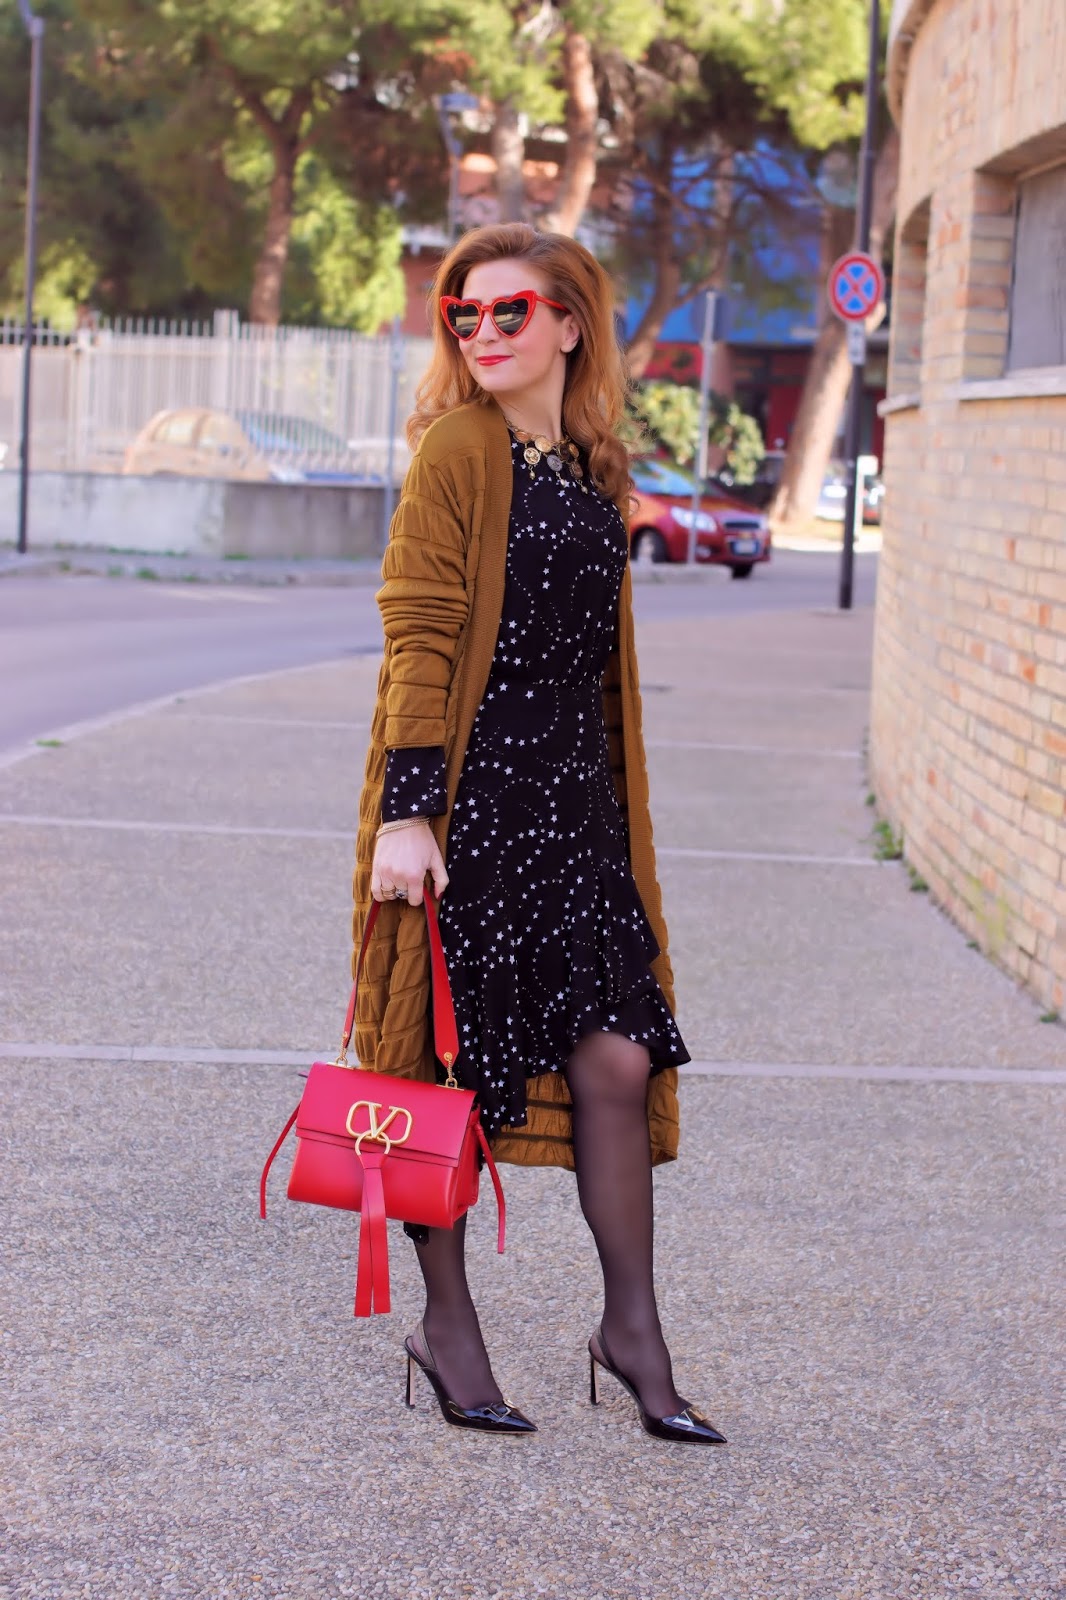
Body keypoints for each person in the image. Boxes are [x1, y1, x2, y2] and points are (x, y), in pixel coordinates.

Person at [353, 222, 726, 1446]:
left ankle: (632, 1331)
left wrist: (619, 830)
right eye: (466, 314)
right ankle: (447, 1322)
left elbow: (596, 669)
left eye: (513, 310)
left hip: (572, 814)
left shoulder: (590, 466)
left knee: (617, 1059)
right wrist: (407, 812)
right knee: (441, 1070)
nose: (487, 331)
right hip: (466, 809)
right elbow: (416, 633)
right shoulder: (454, 451)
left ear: (571, 320)